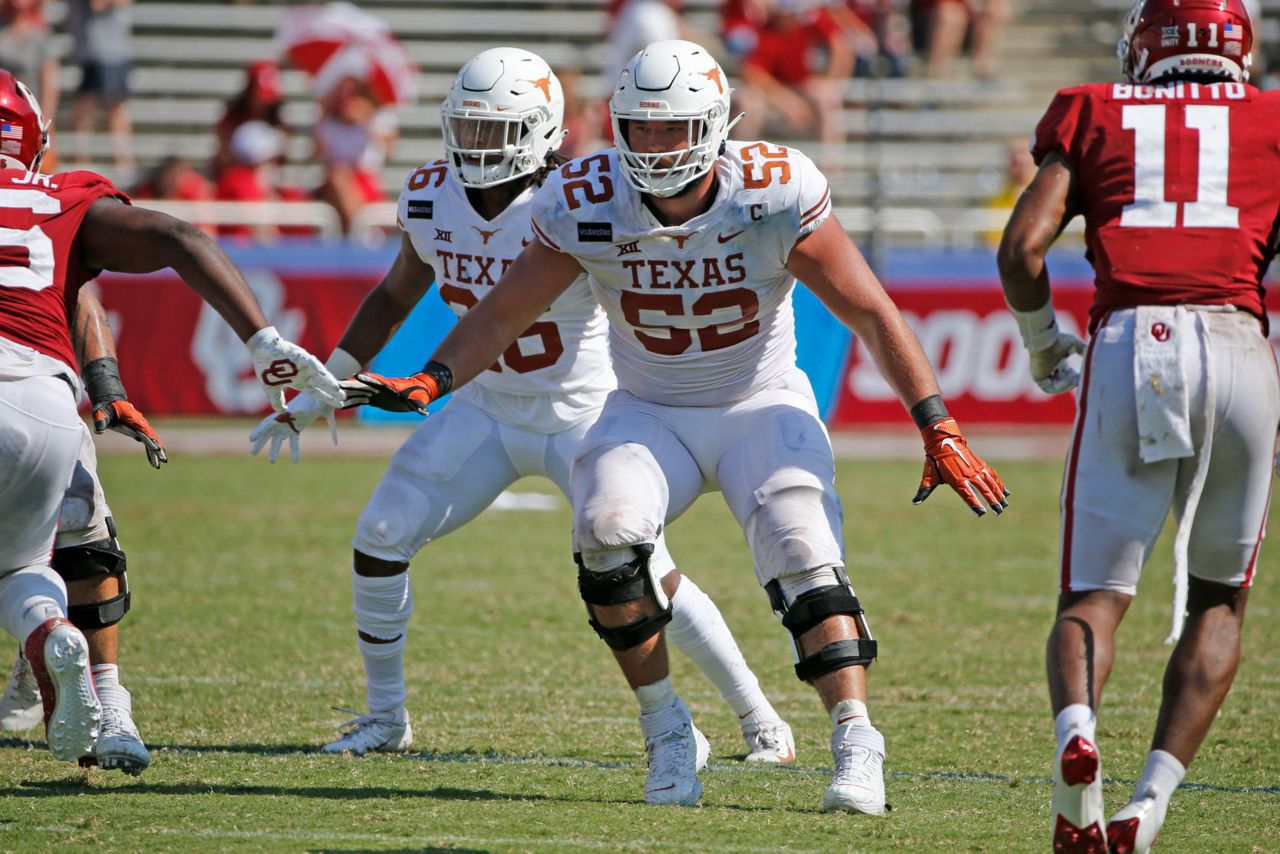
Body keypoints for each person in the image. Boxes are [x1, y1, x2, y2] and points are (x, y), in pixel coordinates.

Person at [341, 39, 1007, 811]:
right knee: (606, 527)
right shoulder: (586, 198)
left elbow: (869, 310)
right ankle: (665, 730)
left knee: (802, 550)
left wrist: (938, 424)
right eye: (642, 128)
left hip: (758, 399)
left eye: (675, 129)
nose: (656, 146)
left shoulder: (772, 191)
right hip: (648, 406)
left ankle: (857, 741)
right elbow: (505, 309)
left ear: (718, 127)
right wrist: (434, 377)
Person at [250, 47, 797, 774]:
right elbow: (392, 297)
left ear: (542, 131)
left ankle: (759, 717)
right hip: (483, 408)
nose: (479, 149)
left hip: (585, 412)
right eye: (469, 130)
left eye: (498, 132)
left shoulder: (579, 199)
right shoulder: (426, 196)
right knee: (380, 535)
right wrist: (325, 384)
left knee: (651, 572)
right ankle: (385, 717)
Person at [0, 69, 342, 766]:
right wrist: (264, 340)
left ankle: (103, 702)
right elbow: (177, 237)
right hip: (43, 399)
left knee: (78, 544)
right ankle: (53, 655)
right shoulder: (58, 199)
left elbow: (79, 292)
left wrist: (107, 381)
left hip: (49, 382)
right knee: (41, 558)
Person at [996, 2, 1277, 851]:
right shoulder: (1272, 119)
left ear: (1146, 44)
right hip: (1237, 344)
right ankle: (1147, 807)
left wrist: (1048, 349)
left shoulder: (1094, 107)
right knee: (1219, 597)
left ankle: (1078, 736)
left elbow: (1022, 250)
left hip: (1134, 342)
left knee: (1095, 596)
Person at [0, 289, 163, 774]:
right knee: (81, 537)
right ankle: (94, 686)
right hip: (45, 400)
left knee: (35, 556)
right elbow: (84, 296)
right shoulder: (49, 212)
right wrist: (109, 389)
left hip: (36, 384)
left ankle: (43, 642)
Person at [66, 0, 134, 170]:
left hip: (116, 51)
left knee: (116, 106)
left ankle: (122, 160)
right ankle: (80, 159)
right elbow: (97, 4)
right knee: (87, 106)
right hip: (95, 50)